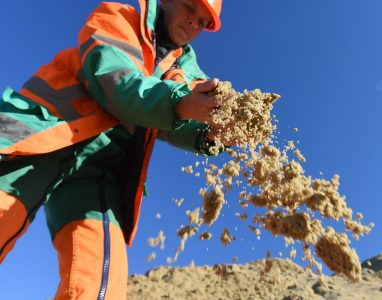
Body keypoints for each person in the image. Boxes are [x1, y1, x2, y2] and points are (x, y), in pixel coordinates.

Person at [0, 0, 224, 298]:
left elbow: (184, 116)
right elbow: (117, 83)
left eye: (203, 21)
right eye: (188, 7)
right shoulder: (119, 18)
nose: (194, 22)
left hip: (98, 175)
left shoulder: (185, 68)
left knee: (98, 284)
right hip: (42, 134)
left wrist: (214, 134)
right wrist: (180, 103)